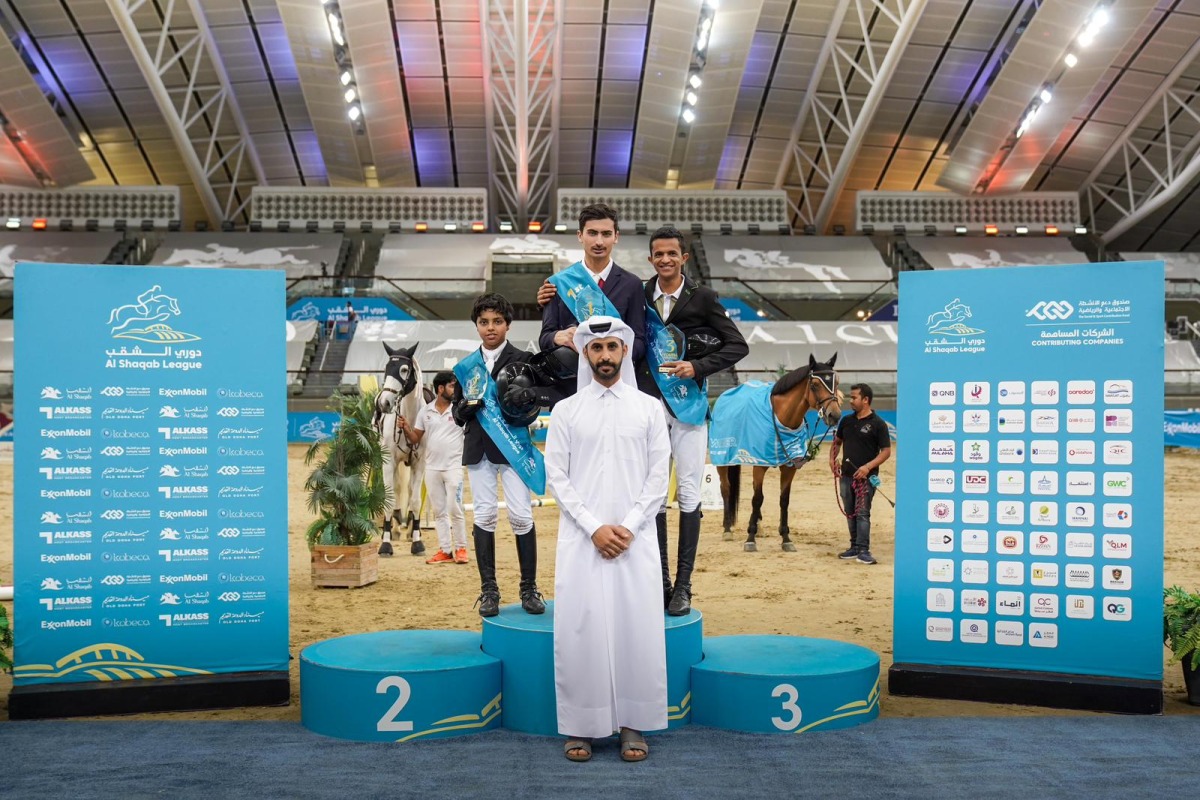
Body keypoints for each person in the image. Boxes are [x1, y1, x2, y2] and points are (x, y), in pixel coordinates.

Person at [545, 315, 670, 763]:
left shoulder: (649, 408)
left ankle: (633, 724)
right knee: (582, 628)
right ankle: (582, 725)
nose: (604, 356)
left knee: (636, 628)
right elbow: (556, 477)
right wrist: (594, 527)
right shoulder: (566, 411)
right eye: (595, 349)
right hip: (582, 541)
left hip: (635, 542)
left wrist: (630, 526)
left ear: (623, 352)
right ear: (584, 353)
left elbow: (659, 478)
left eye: (611, 348)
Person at [634, 225, 748, 615]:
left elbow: (738, 345)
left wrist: (697, 366)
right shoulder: (639, 294)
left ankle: (683, 586)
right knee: (652, 497)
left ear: (684, 258)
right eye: (658, 254)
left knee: (688, 495)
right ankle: (660, 581)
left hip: (689, 411)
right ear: (651, 259)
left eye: (672, 254)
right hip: (648, 408)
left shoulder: (704, 298)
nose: (665, 259)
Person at [452, 293, 547, 616]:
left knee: (521, 516)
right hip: (479, 447)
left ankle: (529, 588)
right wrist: (465, 408)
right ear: (476, 326)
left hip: (513, 447)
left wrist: (521, 406)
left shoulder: (524, 359)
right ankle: (489, 590)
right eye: (483, 322)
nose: (490, 328)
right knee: (484, 517)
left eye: (496, 322)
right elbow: (456, 414)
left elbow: (534, 409)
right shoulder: (465, 367)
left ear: (508, 324)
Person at [538, 203, 646, 393]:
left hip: (617, 386)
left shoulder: (633, 284)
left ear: (616, 237)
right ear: (580, 235)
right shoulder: (558, 283)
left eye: (606, 234)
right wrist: (557, 337)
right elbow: (544, 338)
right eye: (592, 233)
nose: (599, 241)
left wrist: (613, 351)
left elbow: (639, 341)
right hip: (570, 389)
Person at [398, 371, 468, 565]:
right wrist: (405, 427)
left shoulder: (460, 410)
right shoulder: (426, 411)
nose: (456, 390)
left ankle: (461, 548)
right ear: (440, 388)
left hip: (454, 467)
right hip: (432, 469)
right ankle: (445, 550)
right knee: (439, 511)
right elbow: (415, 439)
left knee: (455, 508)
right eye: (452, 386)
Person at [828, 383, 891, 565]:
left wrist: (867, 467)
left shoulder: (878, 424)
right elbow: (837, 442)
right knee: (850, 512)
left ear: (866, 400)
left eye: (854, 397)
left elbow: (886, 451)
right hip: (846, 476)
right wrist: (832, 459)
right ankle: (854, 547)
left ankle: (864, 550)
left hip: (866, 478)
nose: (850, 401)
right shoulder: (846, 421)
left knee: (863, 513)